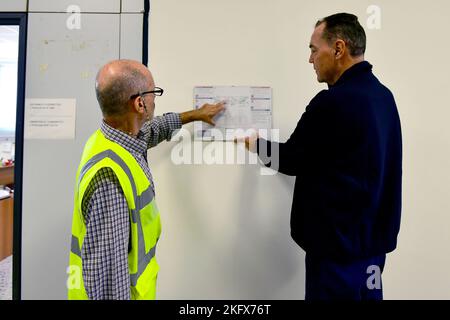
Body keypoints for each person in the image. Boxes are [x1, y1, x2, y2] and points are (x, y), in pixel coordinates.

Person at [241, 13, 402, 300]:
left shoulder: (332, 102)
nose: (310, 59)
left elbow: (290, 159)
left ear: (338, 49)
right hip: (373, 254)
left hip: (336, 255)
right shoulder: (384, 97)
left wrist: (255, 144)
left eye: (314, 49)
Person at [68, 59, 224, 300]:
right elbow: (109, 283)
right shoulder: (109, 179)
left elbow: (154, 130)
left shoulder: (112, 139)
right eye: (154, 93)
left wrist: (196, 115)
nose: (155, 99)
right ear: (140, 103)